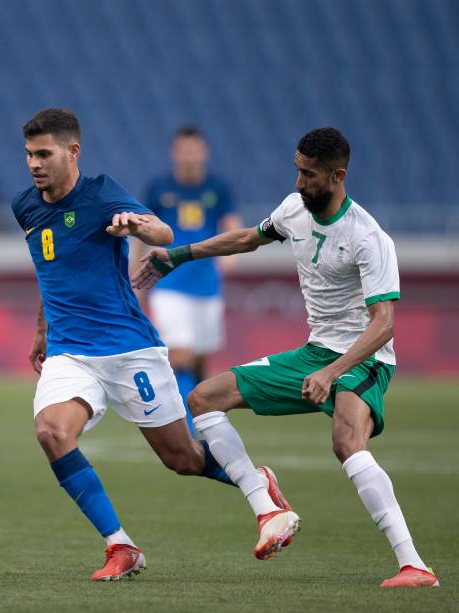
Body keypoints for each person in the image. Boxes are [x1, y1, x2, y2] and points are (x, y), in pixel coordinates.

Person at [132, 127, 437, 588]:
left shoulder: (369, 238)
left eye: (309, 174)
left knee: (347, 442)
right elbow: (246, 239)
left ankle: (414, 565)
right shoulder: (294, 209)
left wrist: (333, 372)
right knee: (204, 399)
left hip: (363, 358)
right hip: (315, 352)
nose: (298, 182)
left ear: (337, 176)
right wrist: (178, 255)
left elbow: (384, 324)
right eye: (297, 170)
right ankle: (267, 504)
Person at [12, 108, 289, 582]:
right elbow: (49, 269)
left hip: (129, 350)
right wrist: (42, 328)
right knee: (52, 433)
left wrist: (136, 226)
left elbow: (164, 232)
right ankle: (120, 546)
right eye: (29, 155)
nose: (34, 164)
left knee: (181, 459)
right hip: (69, 352)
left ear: (72, 151)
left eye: (44, 154)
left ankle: (255, 482)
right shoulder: (25, 206)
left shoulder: (101, 193)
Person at [130, 126, 241, 436]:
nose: (189, 156)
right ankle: (188, 430)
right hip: (169, 283)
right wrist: (136, 277)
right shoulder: (159, 188)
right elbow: (142, 231)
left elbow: (232, 223)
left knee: (200, 362)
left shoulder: (218, 188)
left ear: (204, 153)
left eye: (195, 149)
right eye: (184, 149)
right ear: (174, 153)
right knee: (179, 354)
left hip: (207, 285)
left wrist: (231, 254)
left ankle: (200, 413)